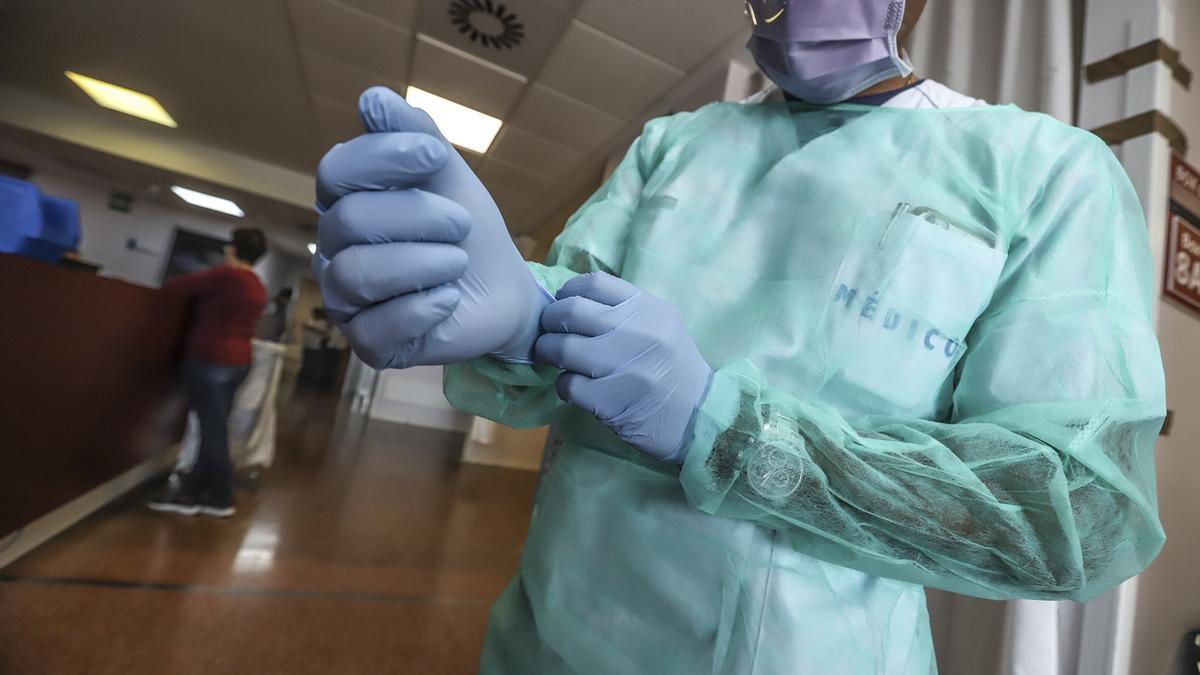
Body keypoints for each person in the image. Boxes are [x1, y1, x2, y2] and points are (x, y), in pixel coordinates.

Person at [309, 0, 1167, 671]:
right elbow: (545, 357)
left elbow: (1069, 512)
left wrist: (724, 424)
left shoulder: (1041, 170)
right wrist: (523, 320)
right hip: (552, 640)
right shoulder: (672, 148)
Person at [149, 228, 268, 518]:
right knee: (213, 428)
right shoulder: (257, 285)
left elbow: (177, 286)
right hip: (238, 362)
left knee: (211, 431)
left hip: (211, 358)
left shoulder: (226, 276)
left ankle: (219, 497)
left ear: (232, 249)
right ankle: (196, 491)